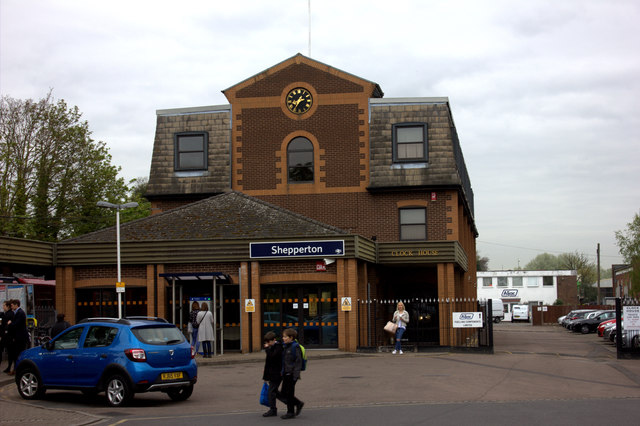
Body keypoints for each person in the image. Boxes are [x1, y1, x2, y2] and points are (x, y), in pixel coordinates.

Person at [280, 328, 304, 419]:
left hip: (292, 374)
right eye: (283, 336)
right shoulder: (286, 346)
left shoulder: (295, 347)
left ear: (291, 337)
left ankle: (290, 412)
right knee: (284, 393)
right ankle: (298, 403)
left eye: (285, 337)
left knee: (289, 393)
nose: (283, 338)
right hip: (286, 373)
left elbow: (298, 362)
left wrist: (296, 375)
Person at [261, 331, 284, 417]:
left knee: (271, 392)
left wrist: (267, 349)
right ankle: (292, 402)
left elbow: (273, 357)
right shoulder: (272, 346)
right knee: (274, 392)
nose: (267, 344)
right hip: (272, 373)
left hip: (277, 374)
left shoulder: (278, 347)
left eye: (268, 342)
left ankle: (273, 410)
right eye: (266, 342)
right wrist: (265, 370)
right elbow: (269, 361)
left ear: (274, 340)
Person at [8, 299, 29, 375]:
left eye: (12, 305)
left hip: (21, 338)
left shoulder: (20, 313)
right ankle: (15, 369)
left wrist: (10, 323)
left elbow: (16, 324)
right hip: (18, 337)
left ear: (16, 305)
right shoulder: (17, 312)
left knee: (19, 354)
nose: (11, 306)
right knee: (16, 354)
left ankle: (18, 370)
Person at [2, 301, 15, 374]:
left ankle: (10, 367)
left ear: (8, 306)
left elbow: (6, 325)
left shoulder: (9, 314)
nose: (3, 307)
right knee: (9, 352)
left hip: (8, 336)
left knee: (10, 352)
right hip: (7, 336)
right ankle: (9, 367)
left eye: (4, 305)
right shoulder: (6, 314)